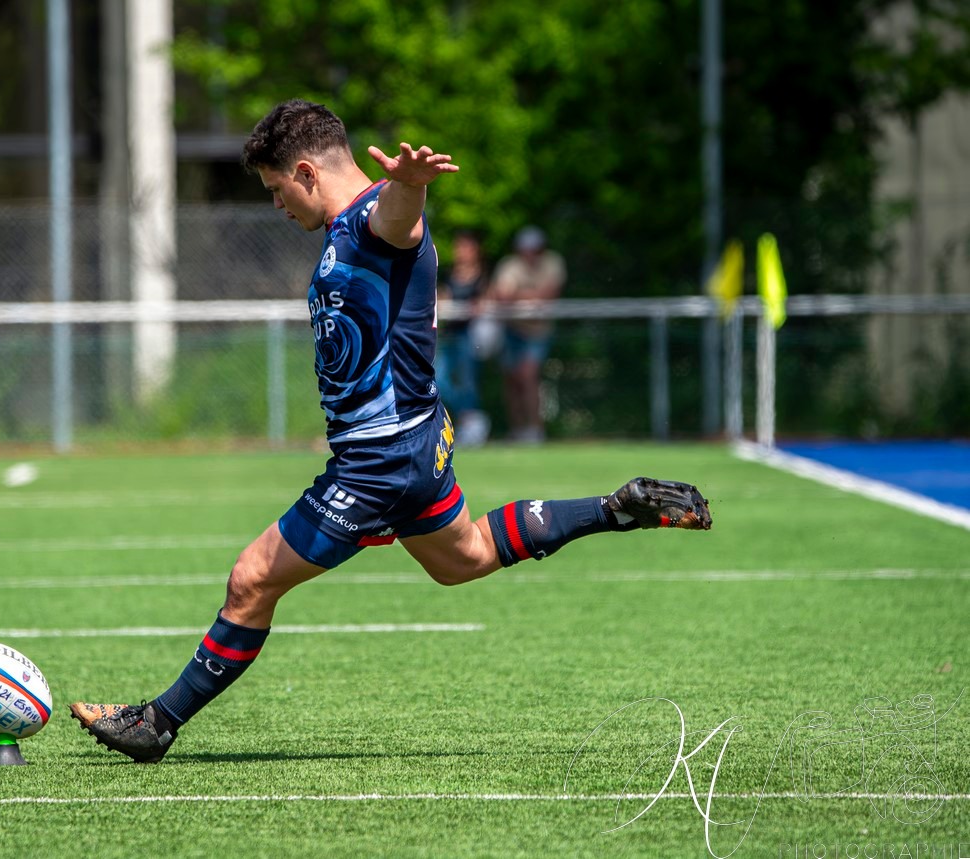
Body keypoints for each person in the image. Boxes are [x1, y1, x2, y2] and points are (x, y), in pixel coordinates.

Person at [70, 99, 712, 763]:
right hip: (411, 442)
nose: (276, 206)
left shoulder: (373, 221)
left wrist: (410, 183)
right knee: (462, 557)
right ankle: (616, 507)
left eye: (276, 190)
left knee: (252, 578)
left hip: (379, 461)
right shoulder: (346, 228)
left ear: (306, 173)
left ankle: (158, 723)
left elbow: (397, 221)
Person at [488, 225, 566, 442]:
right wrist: (530, 298)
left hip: (539, 332)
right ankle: (518, 429)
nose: (530, 254)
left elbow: (548, 295)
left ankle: (535, 429)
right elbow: (503, 296)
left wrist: (519, 296)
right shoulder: (510, 265)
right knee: (511, 380)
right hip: (512, 330)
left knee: (528, 376)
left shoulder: (553, 262)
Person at [435, 229, 492, 446]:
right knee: (439, 380)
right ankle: (471, 418)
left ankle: (472, 421)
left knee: (468, 381)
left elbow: (484, 302)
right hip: (449, 335)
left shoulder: (482, 276)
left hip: (470, 336)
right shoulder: (450, 274)